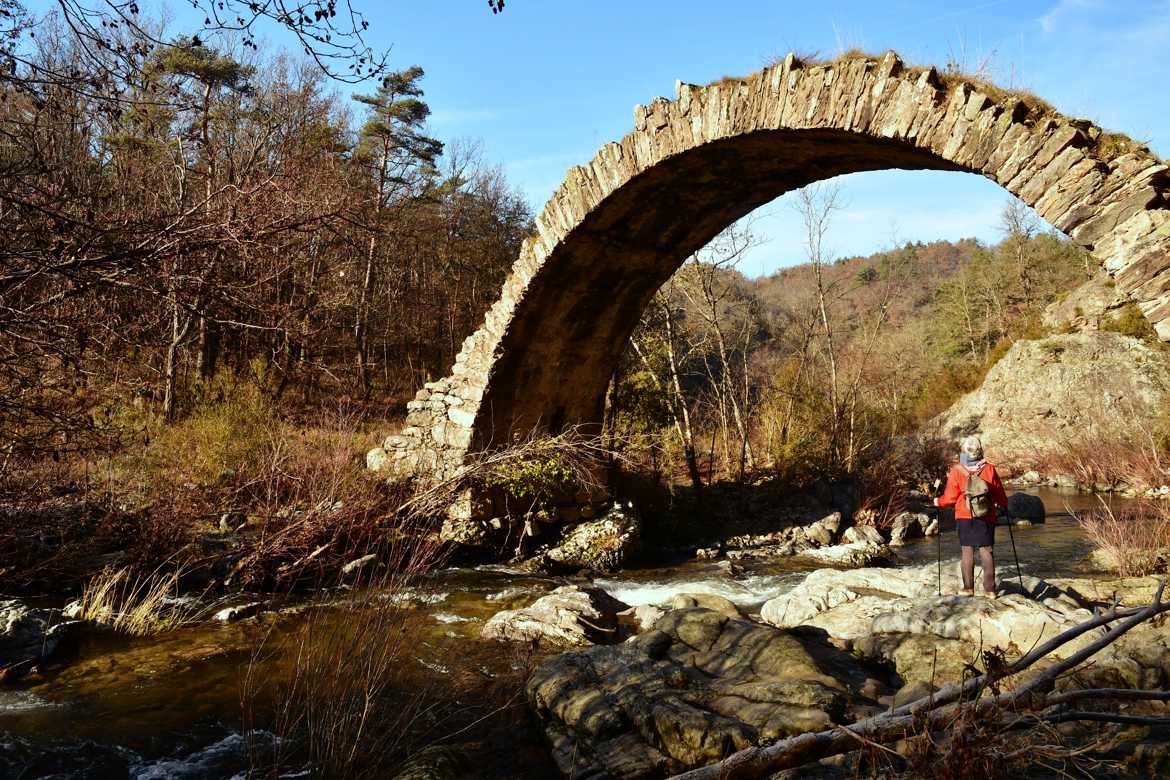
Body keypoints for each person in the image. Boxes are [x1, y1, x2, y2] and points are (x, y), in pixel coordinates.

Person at [934, 436, 1008, 597]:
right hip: (986, 515)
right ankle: (990, 590)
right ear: (980, 450)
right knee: (986, 551)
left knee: (967, 551)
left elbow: (950, 498)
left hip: (964, 515)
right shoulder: (989, 469)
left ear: (964, 450)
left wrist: (938, 502)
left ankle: (968, 588)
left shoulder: (957, 470)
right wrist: (1005, 504)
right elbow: (999, 493)